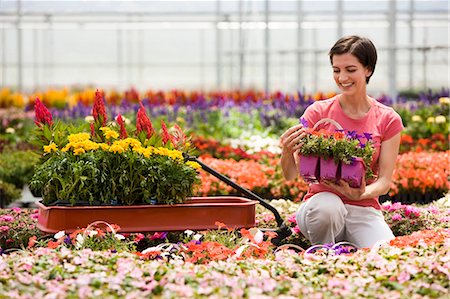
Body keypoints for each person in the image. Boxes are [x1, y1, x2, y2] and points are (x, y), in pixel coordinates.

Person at [279, 35, 403, 248]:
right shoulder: (318, 112)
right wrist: (287, 152)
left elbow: (384, 181)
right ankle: (323, 255)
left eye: (350, 69)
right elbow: (291, 175)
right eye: (336, 70)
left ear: (368, 70)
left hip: (364, 208)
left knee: (384, 251)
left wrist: (360, 193)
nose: (342, 77)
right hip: (320, 205)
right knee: (328, 207)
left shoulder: (388, 119)